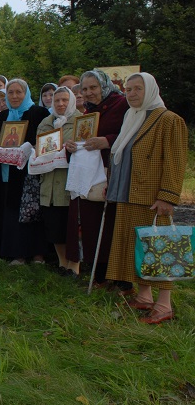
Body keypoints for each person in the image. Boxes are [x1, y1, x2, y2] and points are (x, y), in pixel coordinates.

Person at [105, 73, 187, 323]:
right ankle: (144, 296)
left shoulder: (169, 120)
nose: (131, 94)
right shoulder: (132, 117)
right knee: (137, 247)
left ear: (151, 89)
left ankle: (164, 305)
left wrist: (168, 196)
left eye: (137, 89)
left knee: (159, 248)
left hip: (152, 197)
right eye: (128, 89)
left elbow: (175, 161)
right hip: (129, 193)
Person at [63, 69, 129, 284]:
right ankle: (98, 274)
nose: (89, 92)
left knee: (111, 224)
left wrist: (107, 141)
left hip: (113, 174)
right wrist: (71, 147)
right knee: (91, 223)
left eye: (94, 87)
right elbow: (83, 141)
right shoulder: (87, 112)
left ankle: (117, 277)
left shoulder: (122, 105)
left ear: (104, 86)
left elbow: (132, 136)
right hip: (88, 176)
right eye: (85, 89)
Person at [0, 79, 49, 265]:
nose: (15, 96)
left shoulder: (39, 113)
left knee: (33, 210)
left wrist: (29, 148)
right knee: (12, 210)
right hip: (8, 170)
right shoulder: (2, 117)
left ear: (26, 94)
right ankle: (17, 253)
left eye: (19, 92)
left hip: (30, 171)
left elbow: (46, 140)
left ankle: (38, 253)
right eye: (10, 92)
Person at [36, 87, 81, 271]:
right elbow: (39, 148)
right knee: (54, 225)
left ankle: (74, 265)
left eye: (64, 100)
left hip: (69, 182)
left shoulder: (80, 120)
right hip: (49, 182)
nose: (60, 104)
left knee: (72, 227)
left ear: (71, 101)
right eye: (57, 100)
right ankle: (62, 262)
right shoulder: (46, 123)